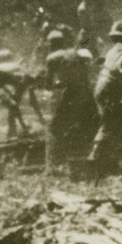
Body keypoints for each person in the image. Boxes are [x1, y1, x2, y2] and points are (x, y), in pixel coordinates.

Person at [87, 20, 122, 175]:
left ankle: (106, 163)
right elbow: (118, 69)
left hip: (103, 86)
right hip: (110, 87)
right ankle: (95, 159)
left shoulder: (113, 49)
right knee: (109, 123)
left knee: (110, 122)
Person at [43, 30, 97, 170]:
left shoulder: (52, 58)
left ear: (50, 44)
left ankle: (60, 161)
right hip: (87, 91)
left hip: (72, 93)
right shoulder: (74, 52)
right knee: (89, 124)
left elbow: (48, 84)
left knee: (56, 126)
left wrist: (54, 84)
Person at [0, 66, 44, 138]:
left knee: (13, 105)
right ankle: (13, 132)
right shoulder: (23, 82)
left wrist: (41, 119)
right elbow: (30, 103)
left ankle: (14, 131)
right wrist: (40, 119)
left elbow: (33, 102)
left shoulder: (26, 79)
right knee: (13, 105)